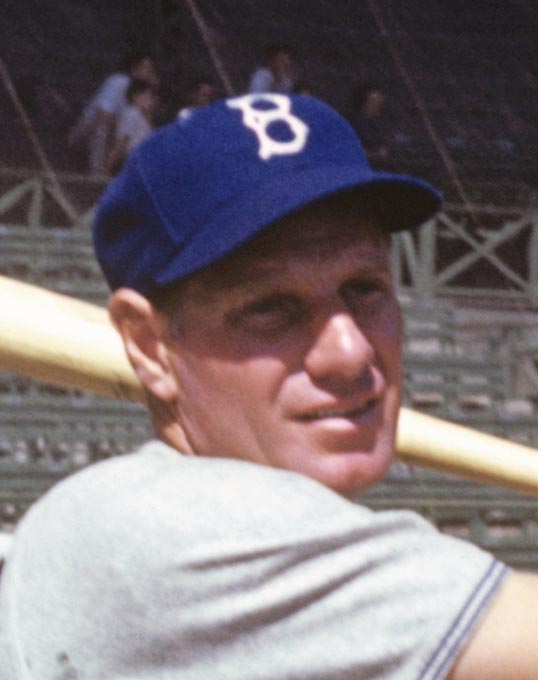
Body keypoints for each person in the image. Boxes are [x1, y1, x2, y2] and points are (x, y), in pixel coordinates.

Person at [0, 93, 537, 679]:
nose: (350, 351)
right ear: (149, 347)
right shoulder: (160, 531)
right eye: (270, 308)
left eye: (364, 287)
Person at [68, 51, 158, 175]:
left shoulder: (143, 90)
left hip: (117, 131)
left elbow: (148, 123)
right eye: (145, 67)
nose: (148, 72)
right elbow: (102, 115)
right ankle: (96, 172)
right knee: (102, 126)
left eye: (150, 69)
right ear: (134, 67)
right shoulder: (118, 81)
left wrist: (153, 87)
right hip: (91, 128)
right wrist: (122, 129)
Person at [105, 79, 156, 175]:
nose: (150, 100)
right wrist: (107, 168)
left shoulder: (146, 116)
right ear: (135, 97)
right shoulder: (131, 115)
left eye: (151, 96)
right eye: (146, 96)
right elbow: (119, 143)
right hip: (136, 161)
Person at [347, 81, 392, 169]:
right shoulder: (353, 123)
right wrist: (375, 155)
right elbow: (349, 151)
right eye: (375, 102)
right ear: (364, 103)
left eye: (380, 101)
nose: (379, 105)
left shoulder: (375, 124)